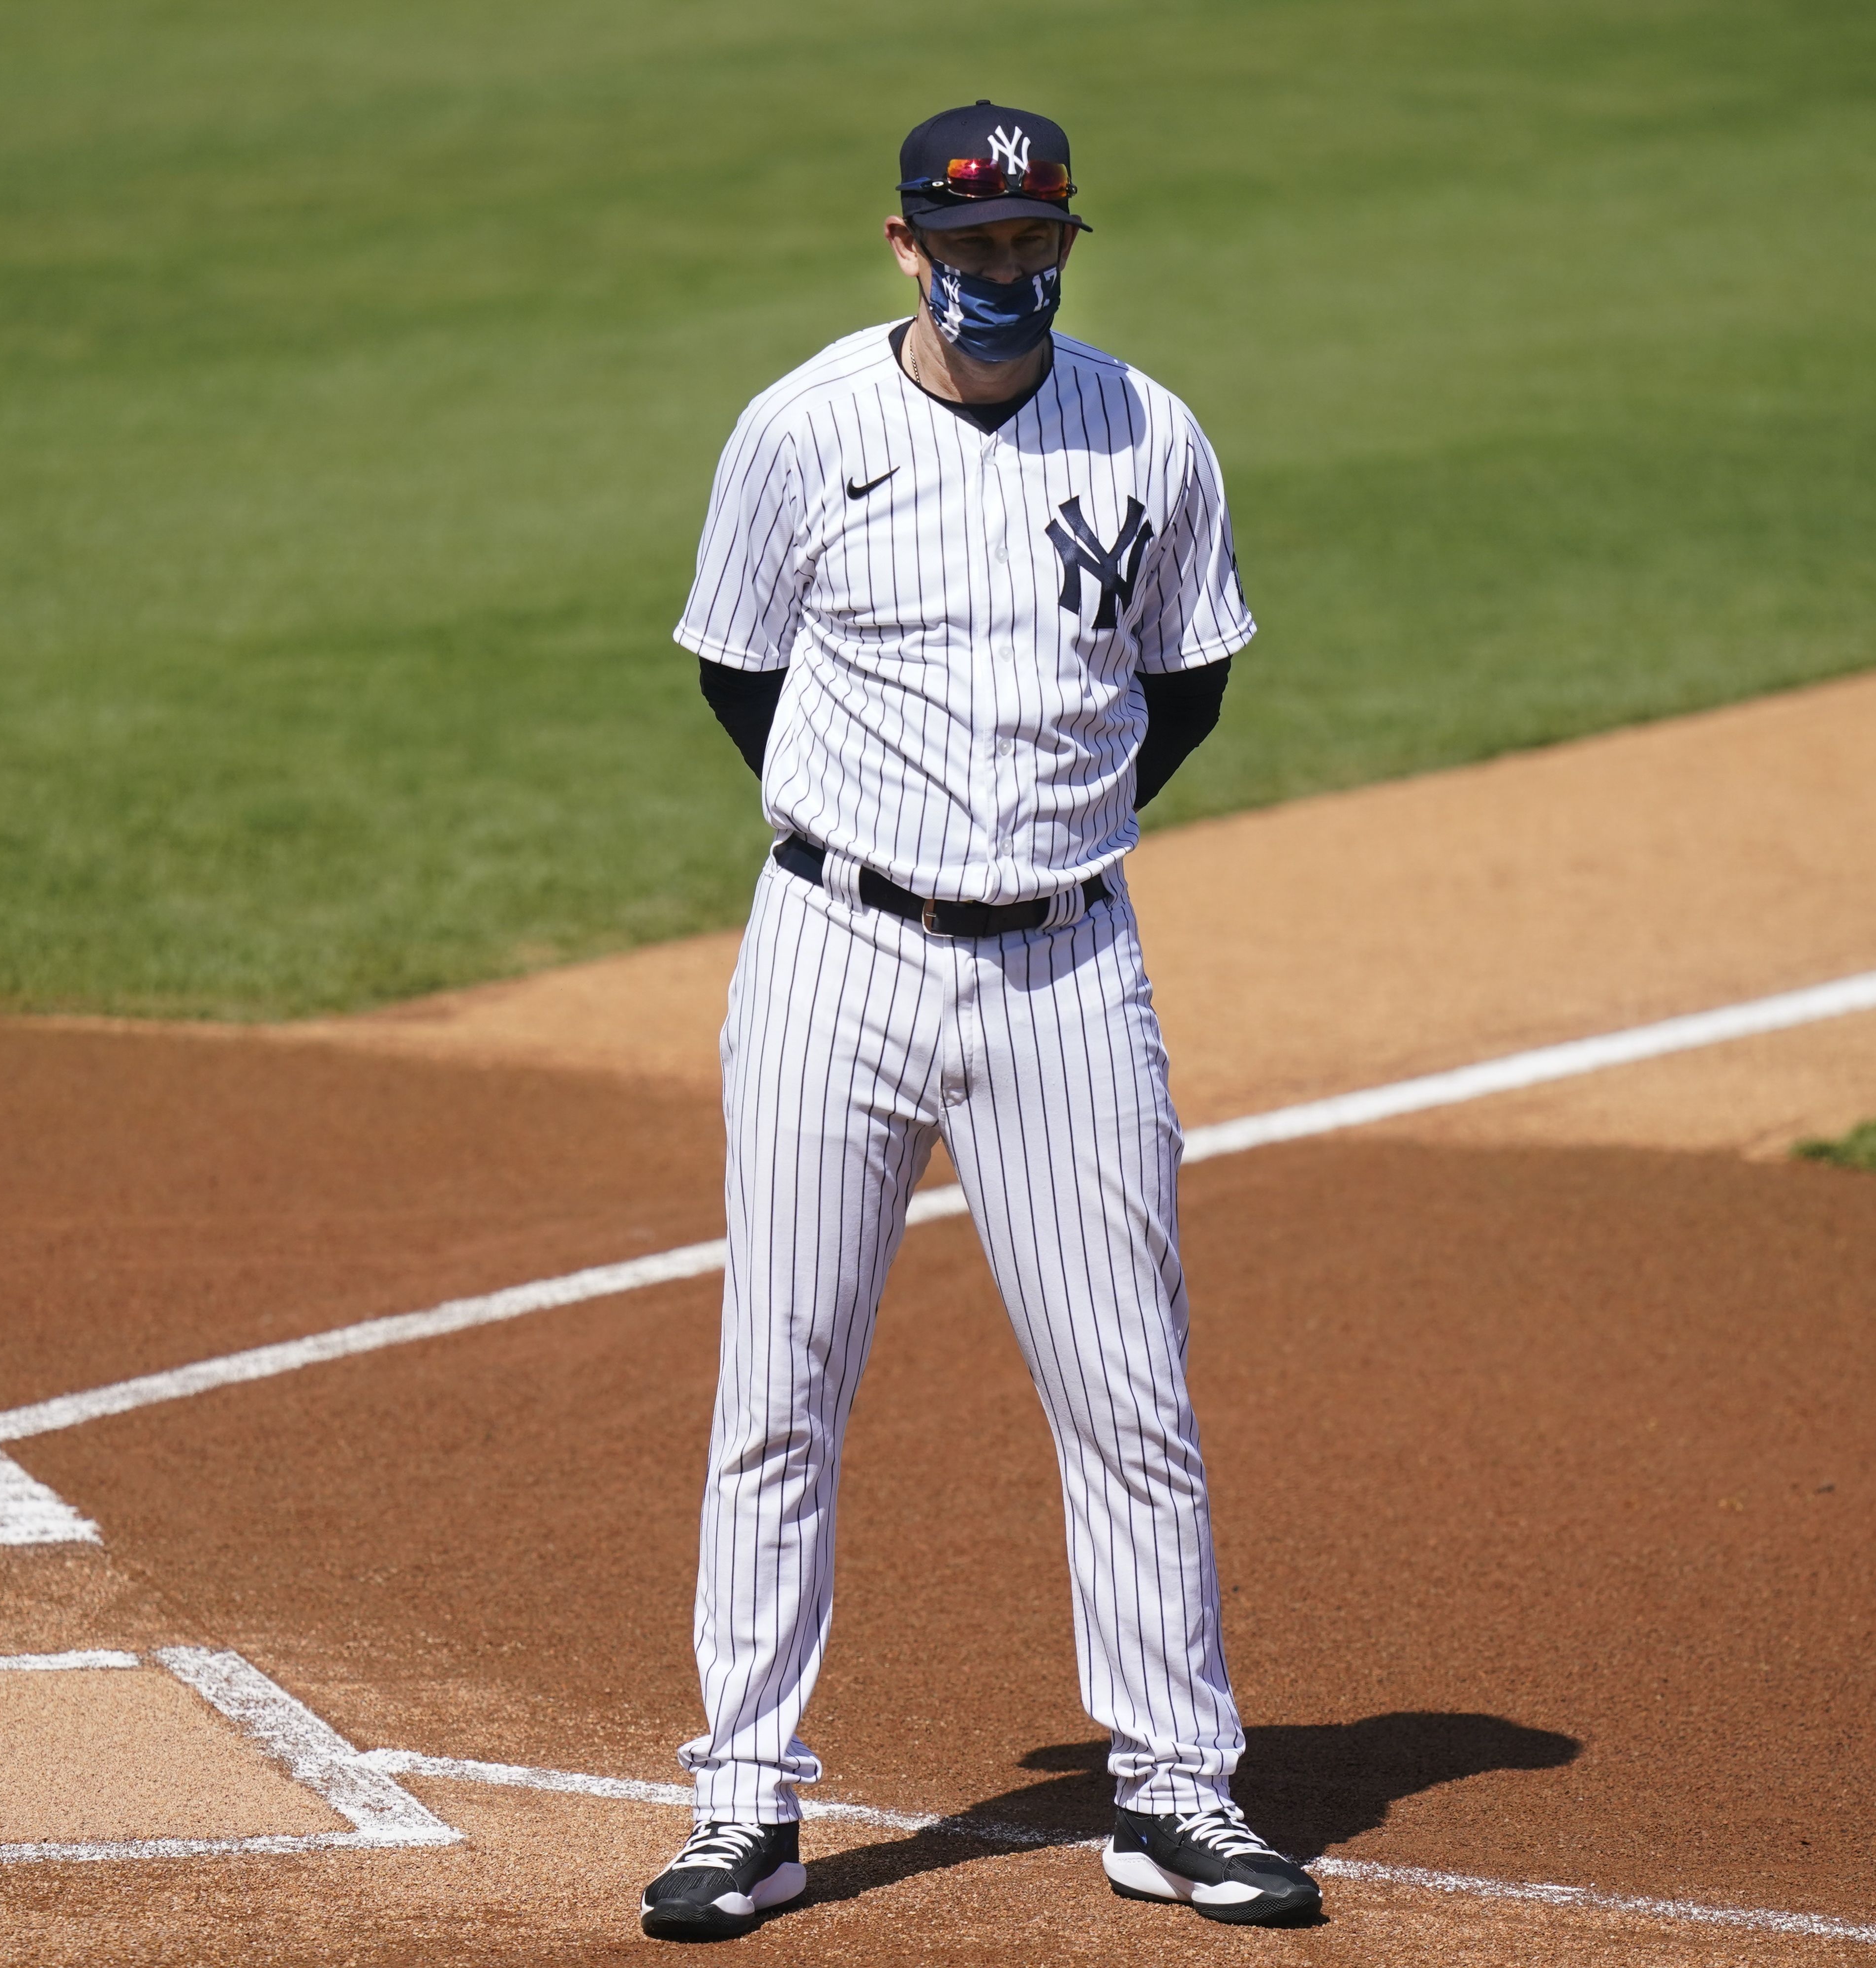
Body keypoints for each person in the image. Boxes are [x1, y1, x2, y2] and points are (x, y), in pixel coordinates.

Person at [639, 100, 1321, 1942]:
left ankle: (1176, 1794)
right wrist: (886, 838)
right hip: (833, 959)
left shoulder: (1148, 432)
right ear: (904, 244)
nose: (1005, 273)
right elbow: (736, 671)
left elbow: (1185, 682)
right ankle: (744, 1806)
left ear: (1066, 244)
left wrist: (1037, 840)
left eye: (1036, 243)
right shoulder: (803, 432)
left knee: (1131, 1399)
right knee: (779, 1393)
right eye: (975, 243)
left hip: (1069, 968)